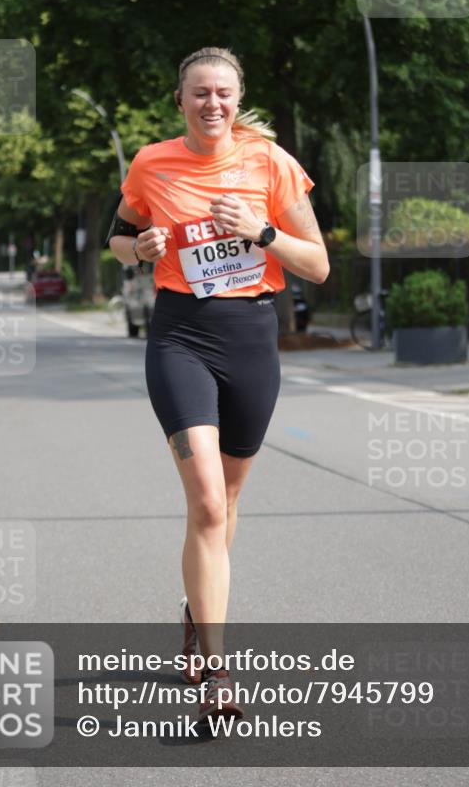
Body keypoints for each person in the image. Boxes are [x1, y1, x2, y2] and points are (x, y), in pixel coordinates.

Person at [108, 47, 329, 724]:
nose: (212, 103)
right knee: (206, 502)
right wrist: (138, 250)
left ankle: (195, 612)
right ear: (180, 100)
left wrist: (261, 231)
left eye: (223, 93)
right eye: (200, 92)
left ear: (237, 99)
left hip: (252, 339)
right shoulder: (151, 163)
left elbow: (318, 265)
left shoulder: (271, 162)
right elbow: (118, 236)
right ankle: (217, 671)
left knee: (227, 501)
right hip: (180, 335)